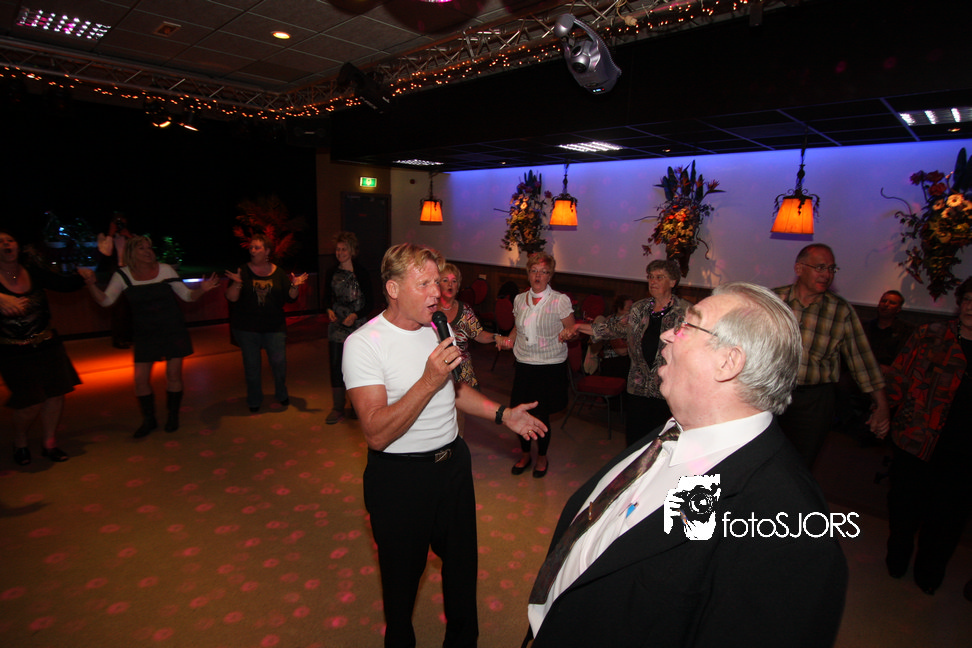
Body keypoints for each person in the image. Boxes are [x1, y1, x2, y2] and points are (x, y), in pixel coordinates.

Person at [525, 282, 848, 648]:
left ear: (728, 362)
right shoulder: (678, 431)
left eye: (686, 326)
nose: (667, 334)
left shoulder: (789, 530)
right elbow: (662, 554)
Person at [342, 242, 547, 648]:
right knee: (401, 585)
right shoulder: (365, 343)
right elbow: (377, 432)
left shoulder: (440, 327)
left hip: (452, 466)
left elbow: (454, 392)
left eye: (438, 282)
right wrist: (428, 379)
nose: (437, 292)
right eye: (424, 284)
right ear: (393, 289)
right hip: (400, 479)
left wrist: (504, 414)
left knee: (462, 573)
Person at [884, 277, 972, 596]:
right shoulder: (930, 335)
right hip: (917, 439)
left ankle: (929, 573)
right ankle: (897, 558)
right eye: (968, 299)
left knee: (947, 519)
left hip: (963, 451)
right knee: (904, 508)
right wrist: (883, 412)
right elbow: (898, 377)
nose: (971, 307)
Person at [83, 235, 220, 437]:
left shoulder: (165, 270)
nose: (148, 252)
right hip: (145, 332)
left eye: (149, 248)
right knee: (140, 380)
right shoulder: (123, 275)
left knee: (173, 375)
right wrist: (91, 285)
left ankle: (172, 416)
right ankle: (149, 419)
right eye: (142, 248)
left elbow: (187, 296)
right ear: (131, 253)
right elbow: (105, 301)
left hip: (172, 329)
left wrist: (201, 290)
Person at [773, 243, 889, 468]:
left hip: (814, 401)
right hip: (769, 393)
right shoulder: (772, 301)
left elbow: (863, 361)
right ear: (799, 268)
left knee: (799, 466)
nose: (827, 275)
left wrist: (882, 406)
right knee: (760, 458)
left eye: (831, 269)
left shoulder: (840, 311)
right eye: (820, 267)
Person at [570, 260, 689, 447]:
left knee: (662, 442)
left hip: (667, 389)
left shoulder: (685, 312)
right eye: (650, 277)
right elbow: (613, 328)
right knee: (635, 440)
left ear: (673, 282)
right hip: (638, 386)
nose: (653, 281)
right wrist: (578, 327)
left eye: (659, 277)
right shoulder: (639, 309)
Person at [0, 229, 90, 464]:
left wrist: (87, 268)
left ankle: (49, 443)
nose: (6, 244)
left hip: (48, 344)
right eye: (0, 242)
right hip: (13, 351)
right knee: (29, 403)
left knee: (55, 395)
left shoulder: (32, 271)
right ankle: (20, 440)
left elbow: (66, 285)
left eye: (10, 240)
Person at [494, 252, 574, 478]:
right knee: (519, 413)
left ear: (550, 275)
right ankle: (525, 454)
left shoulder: (559, 300)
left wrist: (569, 334)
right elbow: (517, 329)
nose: (538, 276)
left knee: (541, 416)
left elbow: (571, 329)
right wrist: (508, 340)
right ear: (528, 274)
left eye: (544, 272)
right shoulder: (519, 299)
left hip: (549, 366)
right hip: (524, 365)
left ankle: (542, 457)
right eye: (534, 271)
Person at [224, 234, 307, 412]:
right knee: (252, 366)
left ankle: (281, 393)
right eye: (251, 247)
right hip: (247, 328)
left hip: (274, 327)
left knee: (279, 364)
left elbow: (291, 298)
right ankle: (254, 399)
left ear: (267, 251)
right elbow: (231, 297)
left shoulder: (278, 273)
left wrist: (295, 286)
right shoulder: (242, 271)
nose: (252, 250)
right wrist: (237, 283)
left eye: (257, 247)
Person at [323, 231, 372, 425]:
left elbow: (370, 302)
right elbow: (326, 298)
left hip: (358, 325)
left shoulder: (362, 273)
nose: (340, 253)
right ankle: (337, 407)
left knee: (356, 366)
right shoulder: (331, 272)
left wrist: (355, 315)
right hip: (337, 325)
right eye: (338, 249)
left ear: (352, 251)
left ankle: (356, 405)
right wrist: (328, 310)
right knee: (336, 365)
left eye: (344, 249)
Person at [437, 262, 499, 389]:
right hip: (437, 372)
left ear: (458, 286)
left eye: (454, 281)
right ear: (437, 284)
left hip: (463, 373)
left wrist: (496, 337)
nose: (450, 285)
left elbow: (478, 334)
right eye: (445, 280)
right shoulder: (428, 310)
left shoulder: (465, 310)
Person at [583, 294, 633, 379]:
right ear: (619, 309)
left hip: (623, 360)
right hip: (614, 364)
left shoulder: (628, 322)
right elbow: (621, 351)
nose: (632, 312)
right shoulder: (611, 322)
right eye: (629, 309)